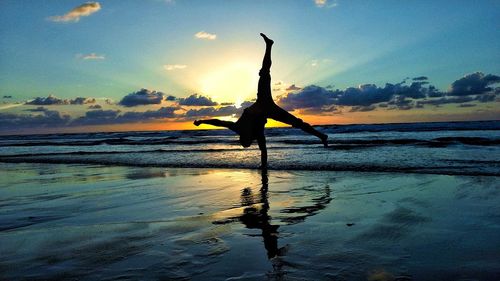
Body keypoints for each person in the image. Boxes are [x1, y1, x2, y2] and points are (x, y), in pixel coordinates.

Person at [194, 33, 328, 169]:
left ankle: (269, 45)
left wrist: (201, 122)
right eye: (248, 140)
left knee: (264, 72)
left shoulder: (238, 128)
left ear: (241, 138)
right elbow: (263, 151)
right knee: (297, 123)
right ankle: (321, 136)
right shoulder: (257, 134)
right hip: (269, 109)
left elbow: (218, 122)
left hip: (263, 101)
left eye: (244, 139)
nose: (247, 137)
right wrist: (263, 167)